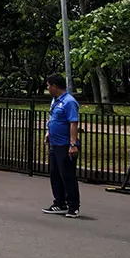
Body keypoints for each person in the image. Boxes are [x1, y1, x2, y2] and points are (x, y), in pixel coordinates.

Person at [42, 74, 81, 218]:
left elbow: (73, 123)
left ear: (54, 86)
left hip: (65, 144)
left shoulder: (69, 102)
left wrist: (73, 144)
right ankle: (59, 203)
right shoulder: (55, 101)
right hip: (54, 143)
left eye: (48, 86)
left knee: (68, 175)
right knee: (55, 174)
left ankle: (73, 206)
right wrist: (48, 132)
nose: (47, 89)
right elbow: (52, 118)